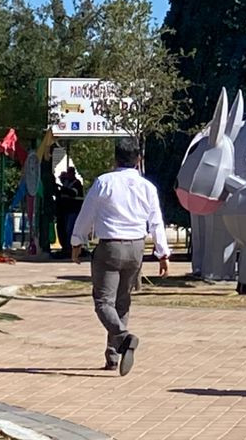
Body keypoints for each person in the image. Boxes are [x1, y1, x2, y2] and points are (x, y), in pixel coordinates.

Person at [71, 138, 170, 375]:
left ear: (114, 158)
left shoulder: (104, 182)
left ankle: (123, 339)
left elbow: (87, 214)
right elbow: (156, 221)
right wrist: (162, 253)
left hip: (110, 247)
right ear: (139, 160)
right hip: (137, 248)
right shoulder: (147, 187)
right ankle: (113, 356)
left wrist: (77, 241)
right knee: (122, 302)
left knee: (103, 302)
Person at [54, 166, 85, 260]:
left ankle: (70, 249)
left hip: (74, 210)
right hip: (66, 211)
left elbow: (73, 193)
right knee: (64, 230)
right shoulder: (67, 183)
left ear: (73, 174)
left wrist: (61, 187)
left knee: (70, 230)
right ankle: (66, 248)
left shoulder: (76, 183)